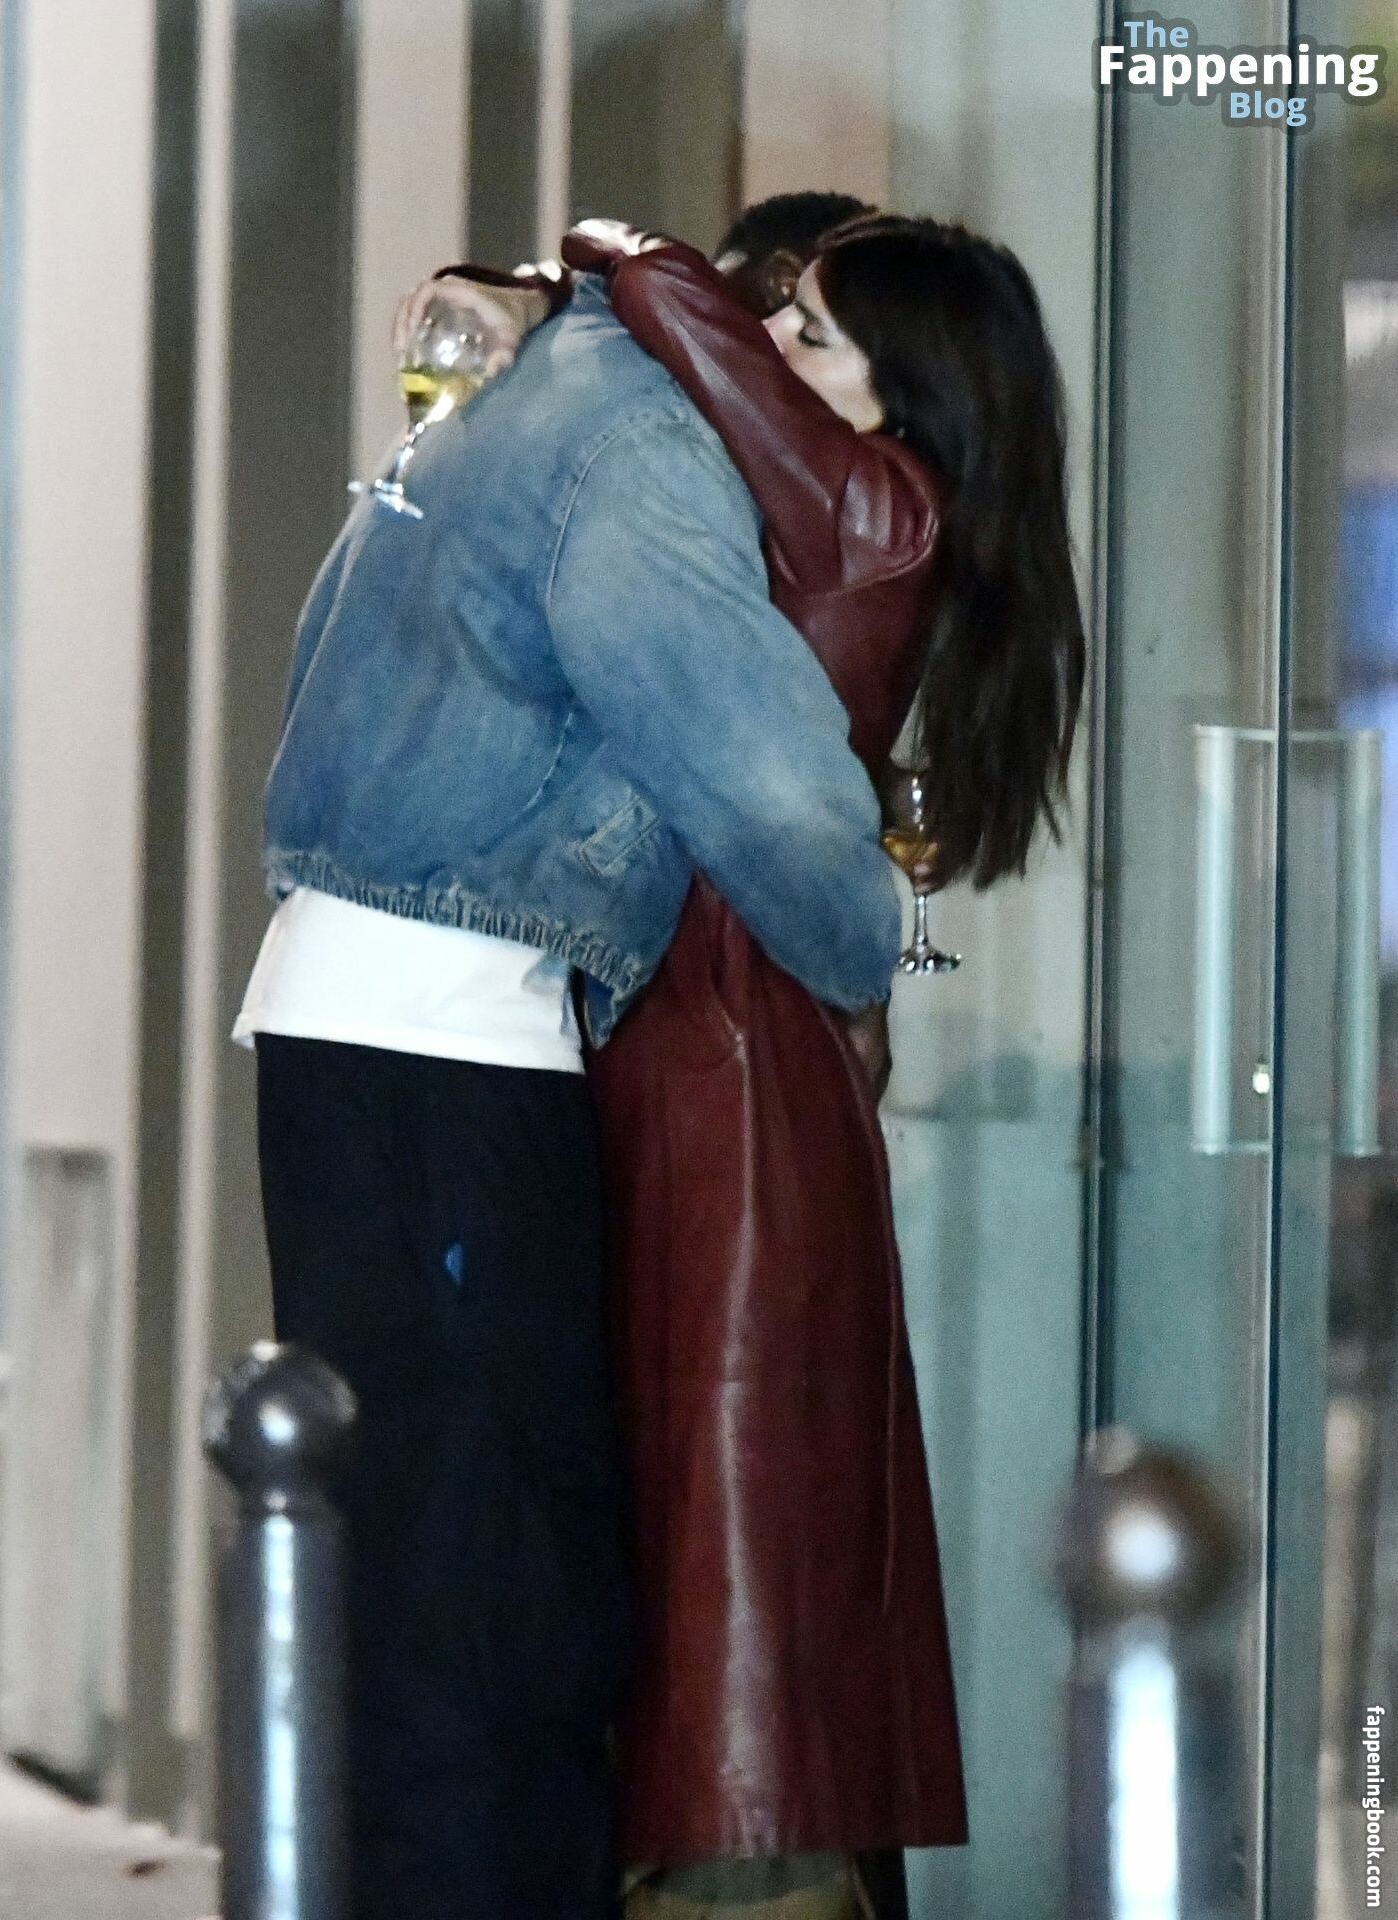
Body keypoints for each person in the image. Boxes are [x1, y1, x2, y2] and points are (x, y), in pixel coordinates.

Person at [232, 211, 908, 1919]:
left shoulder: (542, 391)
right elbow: (764, 784)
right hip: (444, 1034)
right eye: (817, 349)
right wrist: (870, 945)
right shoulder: (637, 444)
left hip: (370, 1020)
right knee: (495, 1616)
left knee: (424, 1586)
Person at [416, 204, 1085, 1919]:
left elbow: (677, 308)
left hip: (725, 1053)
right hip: (731, 1037)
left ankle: (736, 1868)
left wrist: (592, 254)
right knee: (726, 1509)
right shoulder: (862, 511)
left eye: (815, 335)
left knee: (729, 1522)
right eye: (779, 321)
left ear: (902, 399)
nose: (773, 350)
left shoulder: (874, 509)